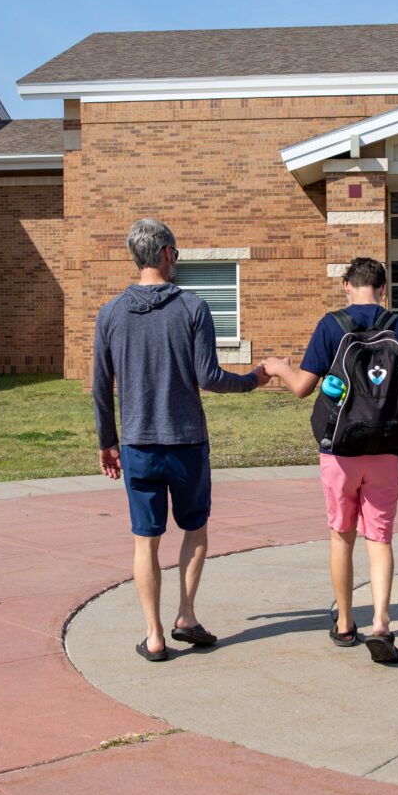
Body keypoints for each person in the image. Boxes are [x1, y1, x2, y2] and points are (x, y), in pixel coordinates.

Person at [93, 219, 269, 662]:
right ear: (168, 254)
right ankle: (186, 616)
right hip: (187, 442)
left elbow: (100, 385)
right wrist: (254, 379)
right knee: (195, 529)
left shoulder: (110, 313)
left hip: (137, 444)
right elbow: (208, 377)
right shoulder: (194, 308)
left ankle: (153, 636)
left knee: (144, 541)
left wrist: (107, 442)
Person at [264, 257, 398, 664]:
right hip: (387, 452)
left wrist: (280, 369)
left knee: (342, 535)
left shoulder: (331, 325)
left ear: (346, 286)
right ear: (383, 289)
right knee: (380, 538)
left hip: (339, 451)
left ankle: (344, 624)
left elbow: (304, 388)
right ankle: (381, 623)